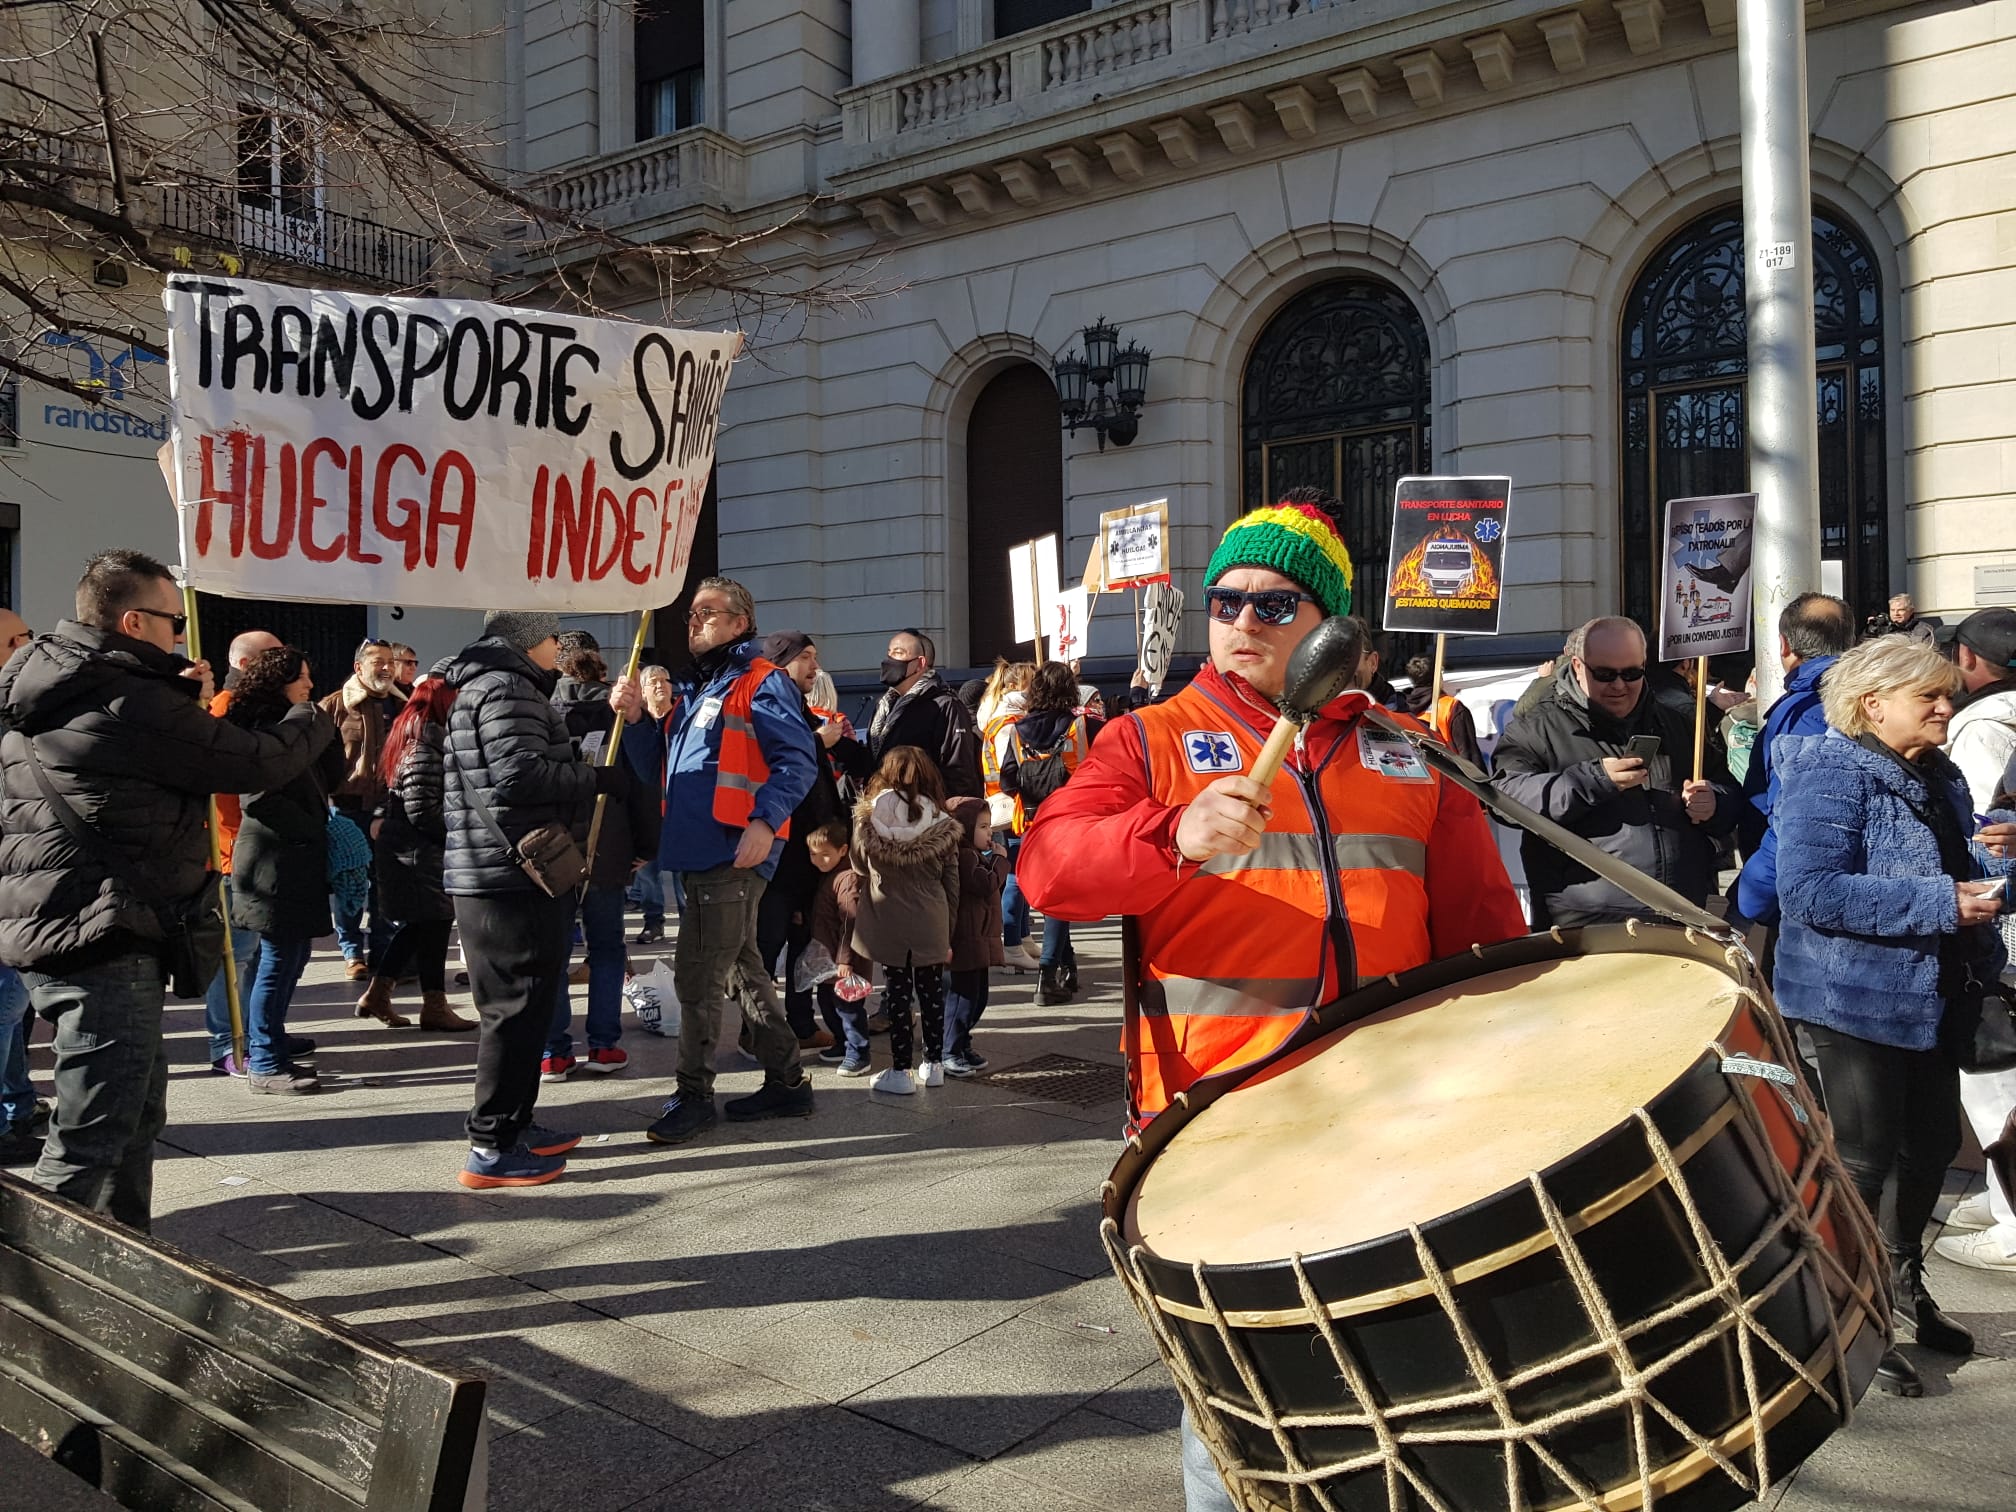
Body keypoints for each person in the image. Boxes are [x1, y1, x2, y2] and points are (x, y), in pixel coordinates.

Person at [1014, 493, 1525, 1512]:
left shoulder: (1410, 750)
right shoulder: (1147, 738)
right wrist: (1168, 836)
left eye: (1274, 603)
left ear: (1329, 631)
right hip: (1218, 1118)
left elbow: (1483, 934)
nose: (1242, 620)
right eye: (1226, 600)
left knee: (1403, 1376)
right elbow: (1048, 870)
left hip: (1393, 1116)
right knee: (1240, 1406)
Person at [0, 550, 334, 1229]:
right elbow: (251, 761)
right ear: (132, 621)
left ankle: (128, 1259)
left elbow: (139, 764)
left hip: (78, 921)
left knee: (134, 1114)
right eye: (174, 621)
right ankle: (29, 1304)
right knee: (93, 1134)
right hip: (102, 932)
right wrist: (319, 715)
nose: (182, 633)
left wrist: (178, 695)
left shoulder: (68, 687)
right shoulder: (123, 698)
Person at [1770, 635, 2012, 1396]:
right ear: (1872, 706)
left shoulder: (1934, 774)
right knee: (1866, 1158)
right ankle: (1847, 1314)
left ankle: (1902, 1287)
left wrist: (1998, 872)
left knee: (1933, 1145)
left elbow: (1959, 870)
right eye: (1929, 697)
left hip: (1935, 992)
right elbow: (1810, 892)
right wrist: (1944, 901)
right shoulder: (1830, 775)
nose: (1947, 707)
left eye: (1948, 693)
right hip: (1853, 1000)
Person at [613, 576, 819, 1145]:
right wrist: (636, 723)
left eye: (710, 613)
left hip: (731, 851)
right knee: (740, 969)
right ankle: (787, 1081)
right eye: (692, 614)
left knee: (699, 976)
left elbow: (797, 761)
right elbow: (659, 763)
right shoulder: (702, 689)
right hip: (700, 852)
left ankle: (694, 1095)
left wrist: (762, 821)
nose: (695, 621)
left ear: (740, 624)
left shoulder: (761, 682)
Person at [442, 611, 615, 1190]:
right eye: (550, 638)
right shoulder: (506, 686)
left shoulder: (488, 686)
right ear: (524, 644)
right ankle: (491, 1145)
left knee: (528, 1005)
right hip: (508, 877)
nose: (557, 647)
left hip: (496, 871)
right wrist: (593, 777)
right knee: (513, 1011)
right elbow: (518, 775)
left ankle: (514, 1125)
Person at [1492, 616, 1739, 927]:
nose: (1619, 686)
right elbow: (1504, 798)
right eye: (1606, 675)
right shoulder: (1539, 727)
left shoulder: (1677, 723)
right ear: (1579, 666)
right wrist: (1591, 780)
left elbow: (1727, 790)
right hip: (1586, 926)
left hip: (1681, 917)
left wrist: (1714, 802)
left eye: (1632, 673)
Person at [1930, 607, 2016, 1273]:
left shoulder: (1983, 726)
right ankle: (1999, 1194)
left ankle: (2012, 1217)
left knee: (1995, 1073)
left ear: (1968, 660)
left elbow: (1985, 832)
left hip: (2003, 927)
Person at [223, 647, 348, 1095]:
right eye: (302, 677)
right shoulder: (262, 731)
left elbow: (333, 777)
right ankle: (264, 1059)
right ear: (278, 681)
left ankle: (272, 1037)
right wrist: (312, 831)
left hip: (298, 859)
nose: (310, 685)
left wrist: (324, 731)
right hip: (271, 863)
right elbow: (260, 799)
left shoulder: (300, 724)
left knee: (295, 956)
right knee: (275, 960)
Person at [542, 645, 659, 1080]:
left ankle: (554, 1049)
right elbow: (643, 786)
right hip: (608, 845)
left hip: (550, 849)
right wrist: (646, 846)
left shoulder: (539, 710)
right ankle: (604, 1044)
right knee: (607, 946)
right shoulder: (620, 714)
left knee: (553, 951)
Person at [1730, 593, 1856, 931]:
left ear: (1784, 646)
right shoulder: (1862, 697)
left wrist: (1754, 895)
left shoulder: (1807, 712)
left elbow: (1797, 819)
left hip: (1800, 895)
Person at [363, 669, 474, 1033]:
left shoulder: (411, 737)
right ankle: (433, 1006)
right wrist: (459, 834)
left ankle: (382, 993)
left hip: (412, 850)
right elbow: (422, 809)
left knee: (423, 927)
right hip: (418, 853)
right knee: (432, 925)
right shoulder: (426, 744)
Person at [850, 746, 962, 1095]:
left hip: (888, 916)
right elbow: (952, 881)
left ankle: (900, 1071)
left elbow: (857, 864)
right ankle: (934, 1064)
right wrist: (949, 929)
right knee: (931, 993)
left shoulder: (868, 820)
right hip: (932, 916)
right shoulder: (942, 822)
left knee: (897, 994)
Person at [202, 627, 281, 1075]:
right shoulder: (225, 711)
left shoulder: (256, 711)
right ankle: (229, 1042)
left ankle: (255, 1034)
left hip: (254, 850)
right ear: (246, 664)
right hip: (230, 853)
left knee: (255, 954)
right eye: (273, 656)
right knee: (236, 955)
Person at [1000, 661, 1100, 1005]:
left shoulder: (1016, 730)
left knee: (1055, 895)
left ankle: (1068, 968)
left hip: (1031, 823)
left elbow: (1006, 780)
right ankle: (1047, 975)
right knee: (1060, 898)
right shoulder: (1082, 725)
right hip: (1072, 819)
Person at [319, 637, 408, 980]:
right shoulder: (334, 705)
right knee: (350, 885)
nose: (387, 667)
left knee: (385, 886)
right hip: (347, 811)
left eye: (390, 661)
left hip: (390, 810)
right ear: (359, 667)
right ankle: (351, 951)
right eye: (378, 661)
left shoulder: (403, 706)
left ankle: (384, 953)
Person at [857, 627, 983, 798]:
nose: (890, 659)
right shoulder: (884, 705)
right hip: (884, 809)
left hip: (923, 812)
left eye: (898, 652)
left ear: (920, 663)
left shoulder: (945, 706)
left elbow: (958, 771)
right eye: (889, 653)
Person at [979, 661, 1039, 966]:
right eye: (1031, 684)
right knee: (1018, 874)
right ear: (1015, 687)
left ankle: (1022, 936)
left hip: (1009, 804)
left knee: (1020, 872)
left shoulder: (1009, 718)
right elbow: (1010, 770)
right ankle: (1012, 944)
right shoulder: (1008, 722)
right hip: (1012, 806)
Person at [943, 795, 1008, 1076]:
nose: (989, 832)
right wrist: (1001, 862)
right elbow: (986, 884)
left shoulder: (975, 855)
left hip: (979, 937)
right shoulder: (965, 855)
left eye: (989, 826)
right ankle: (949, 1049)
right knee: (963, 999)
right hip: (966, 939)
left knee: (977, 997)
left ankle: (962, 1043)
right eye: (982, 826)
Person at [804, 817, 872, 1075]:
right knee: (828, 1002)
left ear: (843, 850)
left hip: (846, 961)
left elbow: (850, 923)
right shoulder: (830, 874)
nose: (817, 860)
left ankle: (859, 1052)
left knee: (849, 1008)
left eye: (824, 854)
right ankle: (843, 1044)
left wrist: (846, 960)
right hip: (831, 959)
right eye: (812, 854)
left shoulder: (847, 878)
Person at [625, 663, 677, 942]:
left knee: (682, 877)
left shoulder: (682, 718)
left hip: (678, 812)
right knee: (648, 874)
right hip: (647, 810)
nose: (660, 685)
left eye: (664, 680)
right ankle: (653, 921)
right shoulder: (638, 724)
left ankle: (691, 923)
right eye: (653, 681)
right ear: (642, 692)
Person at [1398, 652, 1484, 769]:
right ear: (1438, 676)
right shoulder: (1452, 707)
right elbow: (1469, 757)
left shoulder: (1400, 707)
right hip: (1447, 778)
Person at [1876, 592, 1944, 644]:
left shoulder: (1924, 630)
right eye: (1892, 610)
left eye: (1901, 610)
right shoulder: (1883, 627)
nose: (1896, 614)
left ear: (1911, 611)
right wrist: (1871, 629)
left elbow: (1929, 655)